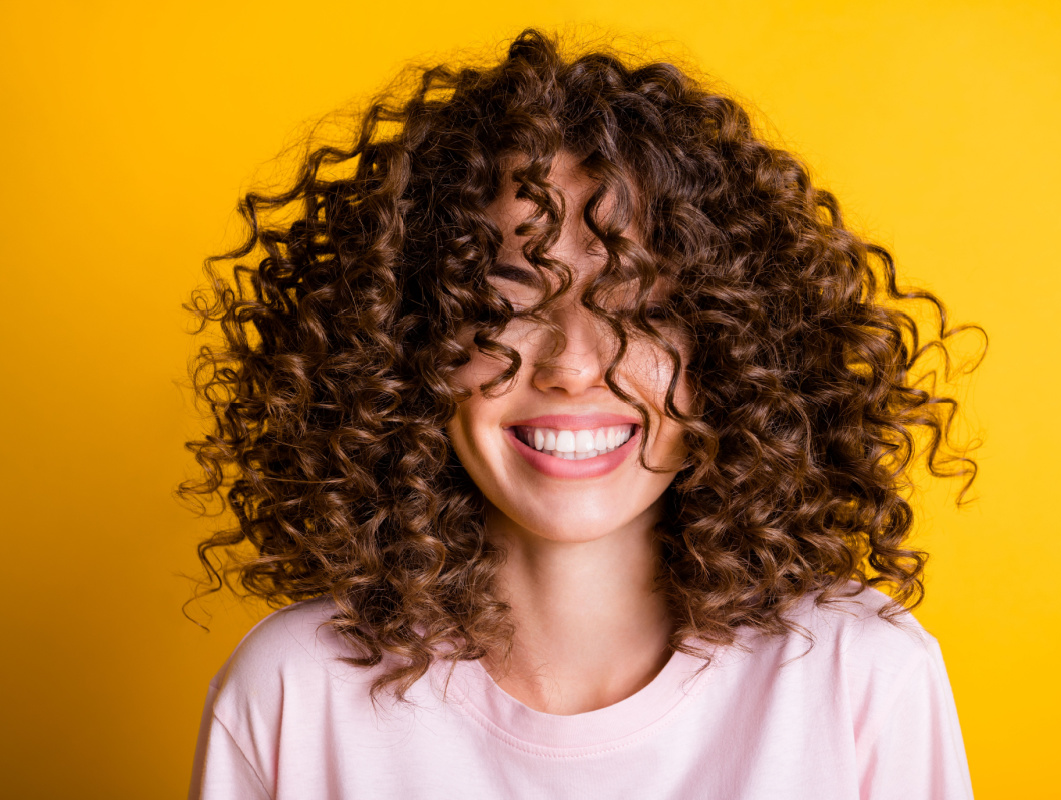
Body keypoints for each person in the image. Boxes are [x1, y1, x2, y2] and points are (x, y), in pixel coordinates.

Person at [181, 27, 984, 799]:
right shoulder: (293, 695)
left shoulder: (860, 680)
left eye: (638, 307)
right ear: (412, 343)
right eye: (508, 302)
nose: (572, 366)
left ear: (732, 349)